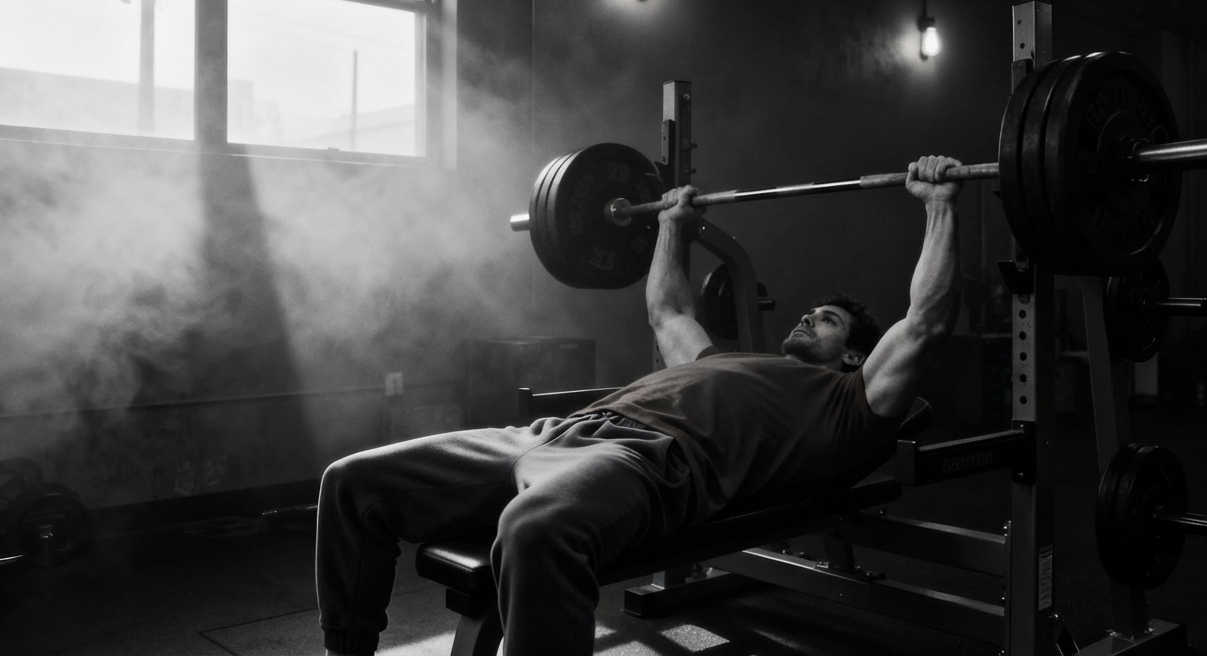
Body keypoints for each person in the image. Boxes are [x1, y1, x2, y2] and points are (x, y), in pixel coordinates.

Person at [316, 155, 963, 656]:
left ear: (853, 355)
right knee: (352, 482)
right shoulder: (720, 360)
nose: (807, 316)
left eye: (825, 320)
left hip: (644, 459)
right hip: (553, 432)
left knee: (537, 529)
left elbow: (926, 322)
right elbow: (667, 309)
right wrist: (671, 225)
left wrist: (938, 205)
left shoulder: (849, 401)